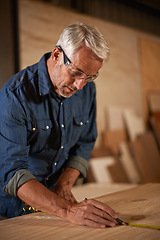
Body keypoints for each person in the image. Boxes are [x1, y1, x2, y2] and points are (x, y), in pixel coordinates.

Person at [0, 22, 118, 228]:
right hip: (13, 210)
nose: (80, 85)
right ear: (56, 55)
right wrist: (69, 210)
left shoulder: (87, 90)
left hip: (57, 205)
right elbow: (12, 172)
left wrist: (65, 182)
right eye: (76, 72)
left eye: (90, 77)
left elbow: (85, 142)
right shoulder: (15, 95)